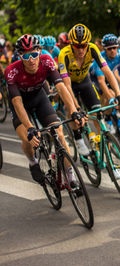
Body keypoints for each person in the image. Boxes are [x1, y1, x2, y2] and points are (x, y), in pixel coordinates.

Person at [5, 34, 84, 186]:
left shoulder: (47, 61)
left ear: (40, 52)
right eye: (26, 56)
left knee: (60, 134)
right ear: (20, 55)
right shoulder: (12, 71)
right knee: (28, 140)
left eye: (34, 54)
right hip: (21, 104)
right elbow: (17, 101)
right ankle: (33, 161)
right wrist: (30, 128)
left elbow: (60, 86)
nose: (31, 60)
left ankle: (70, 176)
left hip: (39, 98)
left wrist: (73, 110)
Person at [58, 24, 120, 156]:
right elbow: (67, 85)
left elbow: (108, 73)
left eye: (84, 45)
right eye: (77, 46)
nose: (81, 49)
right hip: (70, 85)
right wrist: (76, 107)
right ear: (71, 44)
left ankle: (108, 154)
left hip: (85, 82)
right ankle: (78, 139)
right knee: (73, 112)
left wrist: (118, 94)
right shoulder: (64, 54)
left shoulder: (93, 49)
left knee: (98, 114)